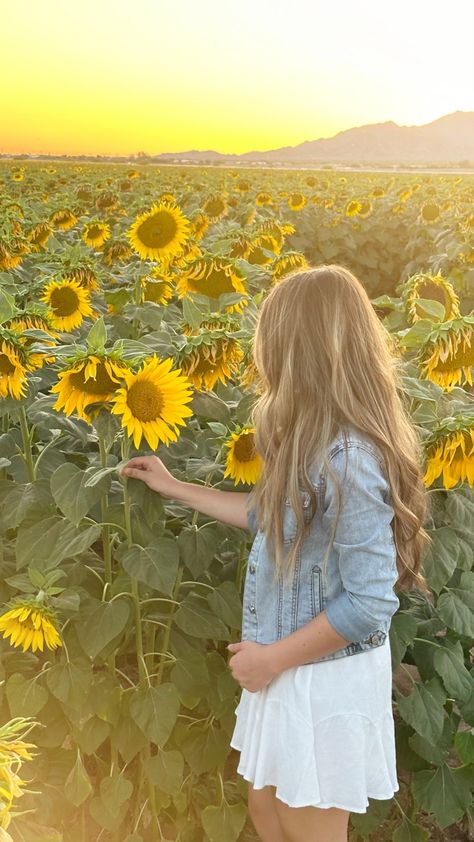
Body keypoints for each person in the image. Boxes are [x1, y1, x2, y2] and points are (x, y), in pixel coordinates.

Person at [119, 264, 432, 842]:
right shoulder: (311, 438)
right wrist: (176, 487)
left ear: (301, 356)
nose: (261, 363)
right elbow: (273, 520)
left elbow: (369, 603)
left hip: (320, 673)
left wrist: (272, 659)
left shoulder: (350, 459)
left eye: (270, 347)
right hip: (293, 663)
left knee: (306, 829)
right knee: (267, 813)